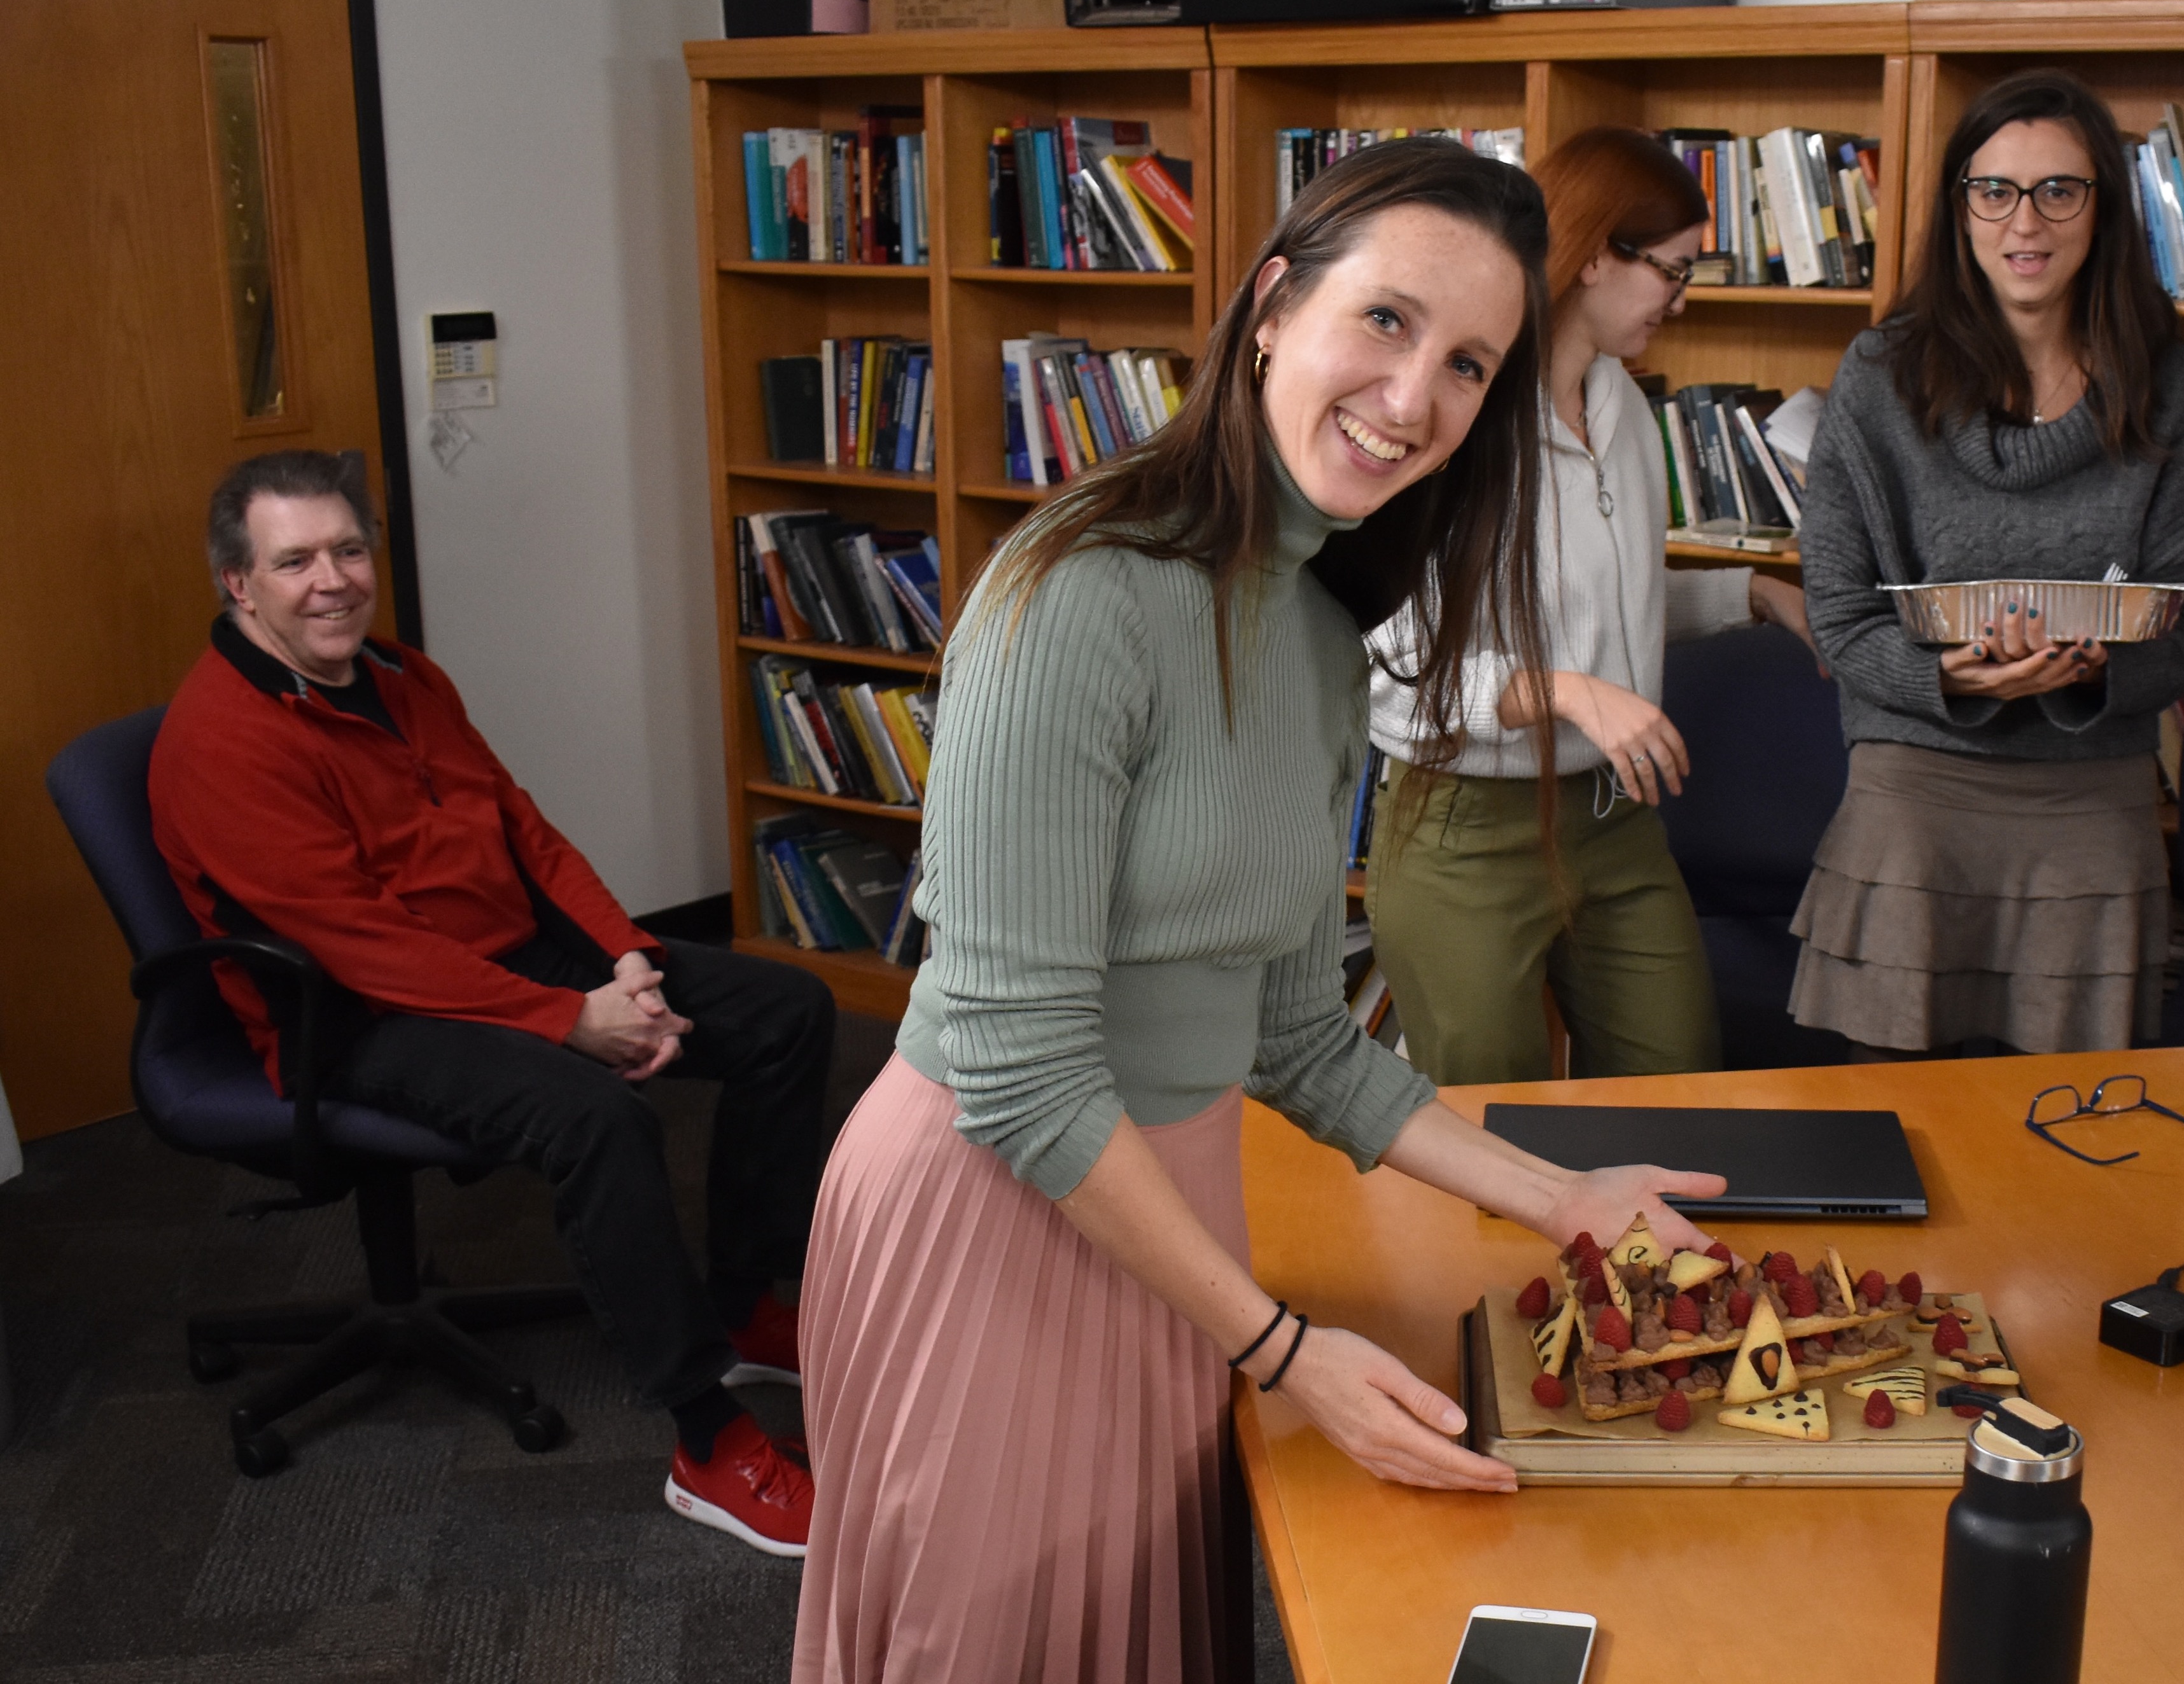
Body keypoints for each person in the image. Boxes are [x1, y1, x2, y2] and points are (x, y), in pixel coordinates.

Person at [792, 139, 1725, 1683]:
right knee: (1005, 1638)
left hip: (1173, 1216)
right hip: (989, 1210)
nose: (1415, 396)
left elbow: (1299, 1032)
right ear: (1274, 306)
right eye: (1386, 322)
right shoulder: (1078, 586)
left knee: (1139, 1620)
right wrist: (1285, 1348)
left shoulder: (1312, 633)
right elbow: (1020, 1065)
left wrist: (1548, 1190)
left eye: (1468, 362)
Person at [150, 449, 833, 1556]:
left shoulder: (404, 677)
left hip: (505, 953)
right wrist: (568, 1021)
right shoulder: (222, 742)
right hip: (359, 1018)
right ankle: (708, 1442)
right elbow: (366, 949)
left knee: (786, 1010)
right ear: (240, 584)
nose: (332, 580)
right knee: (598, 1116)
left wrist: (624, 956)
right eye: (294, 561)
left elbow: (521, 825)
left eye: (349, 549)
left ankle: (744, 1301)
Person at [1791, 70, 2184, 1060]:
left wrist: (2096, 671)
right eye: (1992, 190)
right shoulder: (1878, 376)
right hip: (1914, 795)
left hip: (2093, 798)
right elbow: (1838, 609)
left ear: (2103, 208)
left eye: (2058, 190)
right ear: (1960, 209)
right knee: (1893, 1125)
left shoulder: (2176, 390)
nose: (2021, 221)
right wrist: (1943, 673)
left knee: (2073, 1140)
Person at [1364, 125, 1816, 1085]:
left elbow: (1601, 607)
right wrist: (1570, 693)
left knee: (1680, 1089)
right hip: (1466, 832)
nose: (1681, 302)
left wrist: (1753, 592)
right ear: (1599, 255)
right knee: (1499, 1136)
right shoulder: (1459, 416)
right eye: (1673, 272)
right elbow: (1402, 681)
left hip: (1616, 820)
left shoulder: (1623, 406)